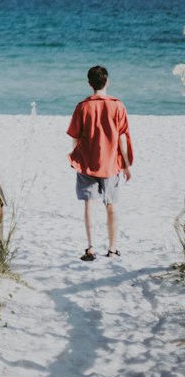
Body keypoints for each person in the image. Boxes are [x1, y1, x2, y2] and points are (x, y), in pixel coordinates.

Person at [67, 64, 133, 261]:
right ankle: (112, 249)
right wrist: (127, 165)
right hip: (111, 164)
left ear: (89, 84)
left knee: (89, 204)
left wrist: (77, 154)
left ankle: (91, 247)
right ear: (107, 81)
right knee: (111, 205)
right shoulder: (117, 105)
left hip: (87, 162)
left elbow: (75, 137)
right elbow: (122, 139)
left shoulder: (82, 107)